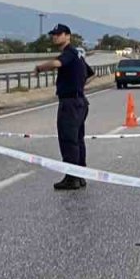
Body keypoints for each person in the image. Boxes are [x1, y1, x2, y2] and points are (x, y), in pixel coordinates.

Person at [34, 24, 89, 190]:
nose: (55, 37)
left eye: (58, 34)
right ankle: (80, 175)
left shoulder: (69, 53)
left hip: (70, 103)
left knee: (68, 140)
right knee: (78, 140)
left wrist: (40, 68)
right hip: (79, 101)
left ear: (67, 36)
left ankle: (72, 177)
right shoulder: (78, 55)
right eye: (54, 35)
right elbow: (89, 73)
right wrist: (78, 86)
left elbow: (57, 64)